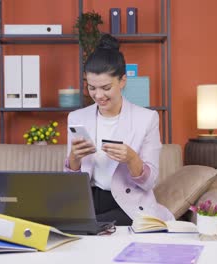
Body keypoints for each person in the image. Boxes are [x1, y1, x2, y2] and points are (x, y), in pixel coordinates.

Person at [64, 34, 175, 225]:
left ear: (122, 81)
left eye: (106, 87)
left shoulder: (147, 119)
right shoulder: (77, 118)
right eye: (92, 88)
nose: (98, 95)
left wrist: (132, 159)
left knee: (86, 227)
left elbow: (150, 183)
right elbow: (70, 184)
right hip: (87, 202)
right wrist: (74, 159)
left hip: (126, 205)